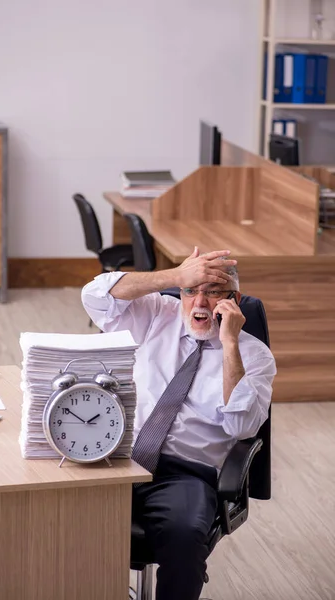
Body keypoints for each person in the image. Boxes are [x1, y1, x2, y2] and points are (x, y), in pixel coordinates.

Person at [81, 247, 276, 600]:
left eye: (214, 291)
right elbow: (93, 295)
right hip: (117, 457)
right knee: (55, 516)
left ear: (236, 300)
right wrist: (174, 276)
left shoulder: (253, 354)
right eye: (192, 290)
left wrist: (229, 343)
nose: (200, 301)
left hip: (186, 473)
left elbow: (242, 426)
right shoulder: (158, 313)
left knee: (184, 537)